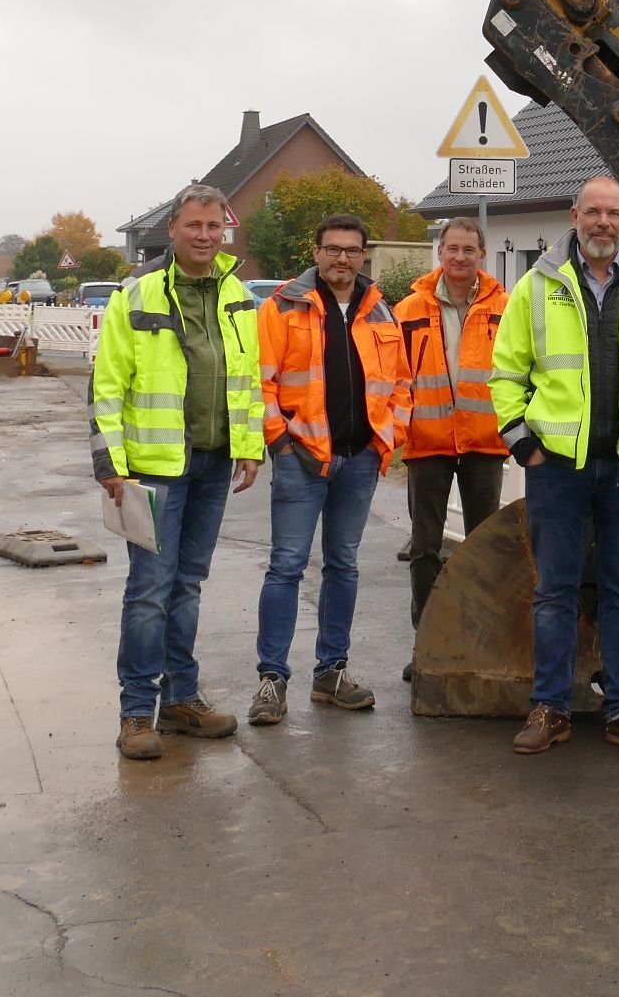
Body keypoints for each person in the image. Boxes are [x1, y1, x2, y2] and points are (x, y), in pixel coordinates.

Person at [489, 174, 619, 758]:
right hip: (556, 466)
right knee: (554, 591)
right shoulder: (537, 285)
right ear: (574, 215)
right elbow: (506, 371)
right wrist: (523, 443)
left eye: (614, 213)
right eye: (593, 213)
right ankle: (550, 707)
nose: (603, 223)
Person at [92, 183, 265, 762]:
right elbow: (107, 384)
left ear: (224, 232)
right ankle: (137, 713)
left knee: (188, 586)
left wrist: (250, 445)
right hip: (153, 468)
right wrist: (108, 461)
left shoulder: (237, 292)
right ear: (172, 229)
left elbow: (247, 378)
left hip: (215, 462)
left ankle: (182, 700)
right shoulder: (136, 295)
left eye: (214, 228)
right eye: (194, 226)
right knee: (150, 592)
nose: (204, 236)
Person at [250, 213, 406, 725]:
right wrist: (280, 443)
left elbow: (402, 384)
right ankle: (271, 680)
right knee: (286, 567)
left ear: (363, 254)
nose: (343, 258)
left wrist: (388, 438)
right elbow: (261, 381)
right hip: (302, 459)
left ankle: (331, 673)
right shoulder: (282, 307)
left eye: (352, 250)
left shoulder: (380, 310)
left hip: (360, 459)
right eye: (333, 249)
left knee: (344, 564)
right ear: (316, 251)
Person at [394, 217, 510, 656]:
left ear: (483, 255)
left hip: (484, 442)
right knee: (425, 547)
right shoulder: (408, 310)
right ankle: (427, 647)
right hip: (427, 443)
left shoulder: (507, 308)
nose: (460, 257)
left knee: (483, 548)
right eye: (452, 249)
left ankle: (479, 644)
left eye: (469, 249)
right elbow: (393, 378)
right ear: (439, 254)